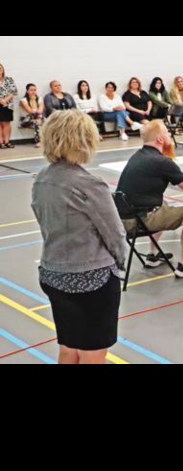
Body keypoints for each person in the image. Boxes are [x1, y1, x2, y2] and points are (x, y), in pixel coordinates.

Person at [32, 110, 129, 364]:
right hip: (91, 279)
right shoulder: (88, 184)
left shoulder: (42, 179)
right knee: (92, 353)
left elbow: (44, 224)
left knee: (69, 347)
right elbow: (116, 235)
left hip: (53, 273)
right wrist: (119, 265)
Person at [115, 121, 183, 277]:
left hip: (123, 217)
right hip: (138, 220)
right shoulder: (162, 161)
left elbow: (167, 176)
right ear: (160, 139)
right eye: (167, 132)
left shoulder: (138, 156)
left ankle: (152, 256)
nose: (169, 135)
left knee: (162, 204)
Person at [0, 62, 16, 149]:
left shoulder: (9, 79)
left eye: (0, 68)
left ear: (2, 70)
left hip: (7, 105)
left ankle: (7, 141)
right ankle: (1, 142)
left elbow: (13, 91)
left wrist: (5, 100)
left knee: (6, 123)